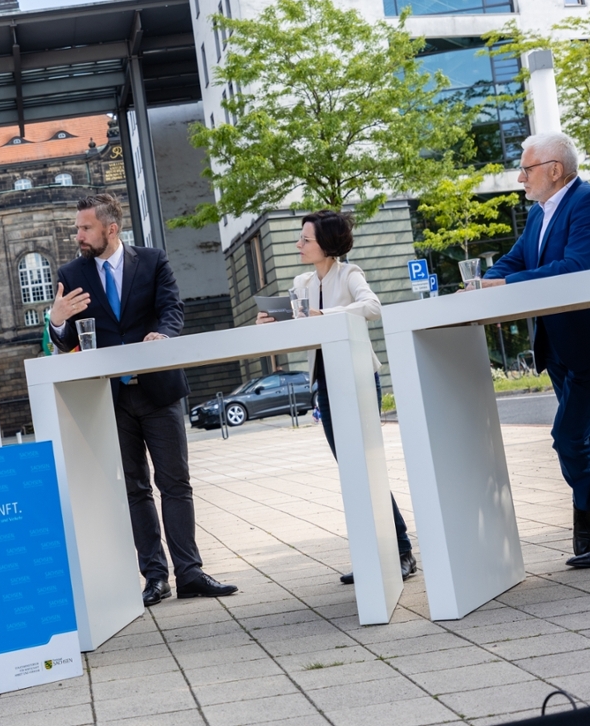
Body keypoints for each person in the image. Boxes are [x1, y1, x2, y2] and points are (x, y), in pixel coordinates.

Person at [48, 193, 237, 606]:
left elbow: (173, 309)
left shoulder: (152, 261)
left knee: (175, 483)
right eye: (78, 228)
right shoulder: (71, 272)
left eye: (85, 228)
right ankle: (155, 577)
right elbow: (63, 344)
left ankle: (189, 573)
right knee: (134, 489)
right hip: (110, 399)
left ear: (110, 229)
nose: (77, 235)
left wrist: (164, 335)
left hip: (159, 389)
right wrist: (57, 319)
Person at [477, 132, 590, 568]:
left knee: (569, 437)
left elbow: (576, 266)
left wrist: (505, 285)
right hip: (556, 344)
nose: (520, 177)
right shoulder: (538, 214)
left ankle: (585, 512)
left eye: (526, 169)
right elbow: (516, 260)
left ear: (554, 169)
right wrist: (482, 284)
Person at [257, 210, 417, 584]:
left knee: (366, 467)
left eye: (305, 240)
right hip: (325, 382)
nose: (298, 245)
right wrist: (270, 321)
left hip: (358, 378)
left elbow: (372, 307)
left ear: (326, 245)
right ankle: (373, 555)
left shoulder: (349, 274)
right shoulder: (302, 281)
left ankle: (402, 551)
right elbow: (295, 321)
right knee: (351, 470)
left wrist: (327, 313)